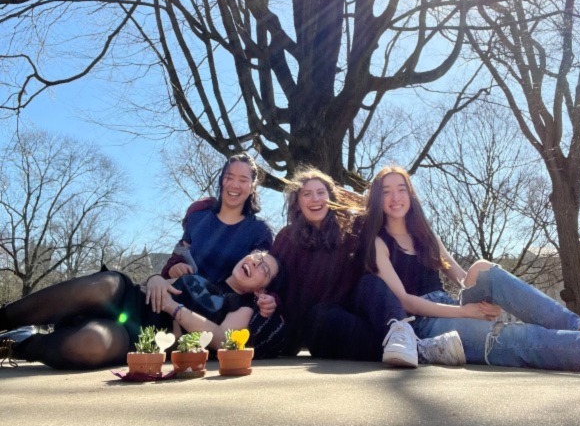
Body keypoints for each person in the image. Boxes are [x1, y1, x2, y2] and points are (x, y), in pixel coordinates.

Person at [359, 165, 580, 372]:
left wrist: (485, 304)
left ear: (410, 195)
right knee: (517, 336)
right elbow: (405, 302)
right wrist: (467, 313)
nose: (395, 197)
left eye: (401, 189)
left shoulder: (425, 235)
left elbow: (462, 278)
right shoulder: (379, 243)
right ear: (377, 199)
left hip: (451, 305)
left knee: (482, 268)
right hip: (425, 323)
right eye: (386, 192)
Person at [273, 167, 465, 367]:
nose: (315, 199)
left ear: (331, 198)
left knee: (370, 282)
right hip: (327, 324)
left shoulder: (351, 230)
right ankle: (421, 349)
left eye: (321, 193)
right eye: (307, 194)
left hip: (364, 313)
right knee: (320, 316)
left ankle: (404, 336)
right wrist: (271, 298)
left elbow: (373, 207)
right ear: (297, 201)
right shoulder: (287, 238)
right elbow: (274, 275)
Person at [0, 251, 280, 370]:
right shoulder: (199, 272)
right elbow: (151, 284)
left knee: (89, 344)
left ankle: (16, 344)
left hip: (140, 336)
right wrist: (156, 279)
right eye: (255, 257)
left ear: (261, 288)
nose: (255, 264)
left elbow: (220, 339)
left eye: (263, 269)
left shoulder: (242, 306)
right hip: (129, 299)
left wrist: (174, 308)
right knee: (102, 285)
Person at [157, 152, 283, 358]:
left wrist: (272, 299)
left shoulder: (259, 231)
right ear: (221, 179)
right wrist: (174, 266)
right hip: (180, 295)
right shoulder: (198, 218)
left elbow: (264, 274)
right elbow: (176, 256)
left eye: (243, 180)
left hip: (215, 316)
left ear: (252, 186)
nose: (234, 185)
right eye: (229, 177)